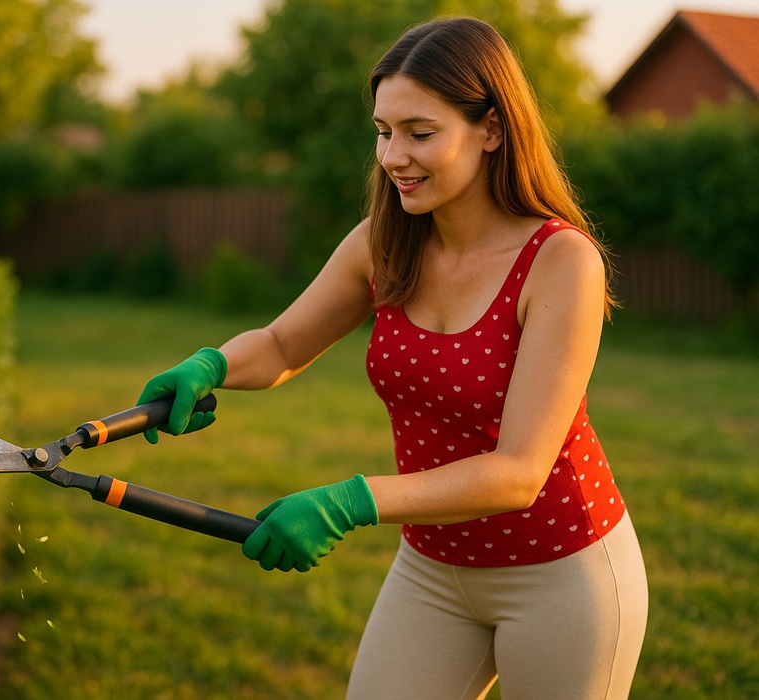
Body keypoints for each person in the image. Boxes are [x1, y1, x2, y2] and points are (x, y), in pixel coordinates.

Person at [136, 15, 648, 700]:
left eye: (420, 133)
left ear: (491, 129)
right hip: (433, 567)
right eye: (383, 131)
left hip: (561, 573)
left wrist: (349, 502)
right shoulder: (385, 240)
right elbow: (285, 344)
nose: (393, 156)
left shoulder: (560, 262)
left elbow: (519, 472)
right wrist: (211, 365)